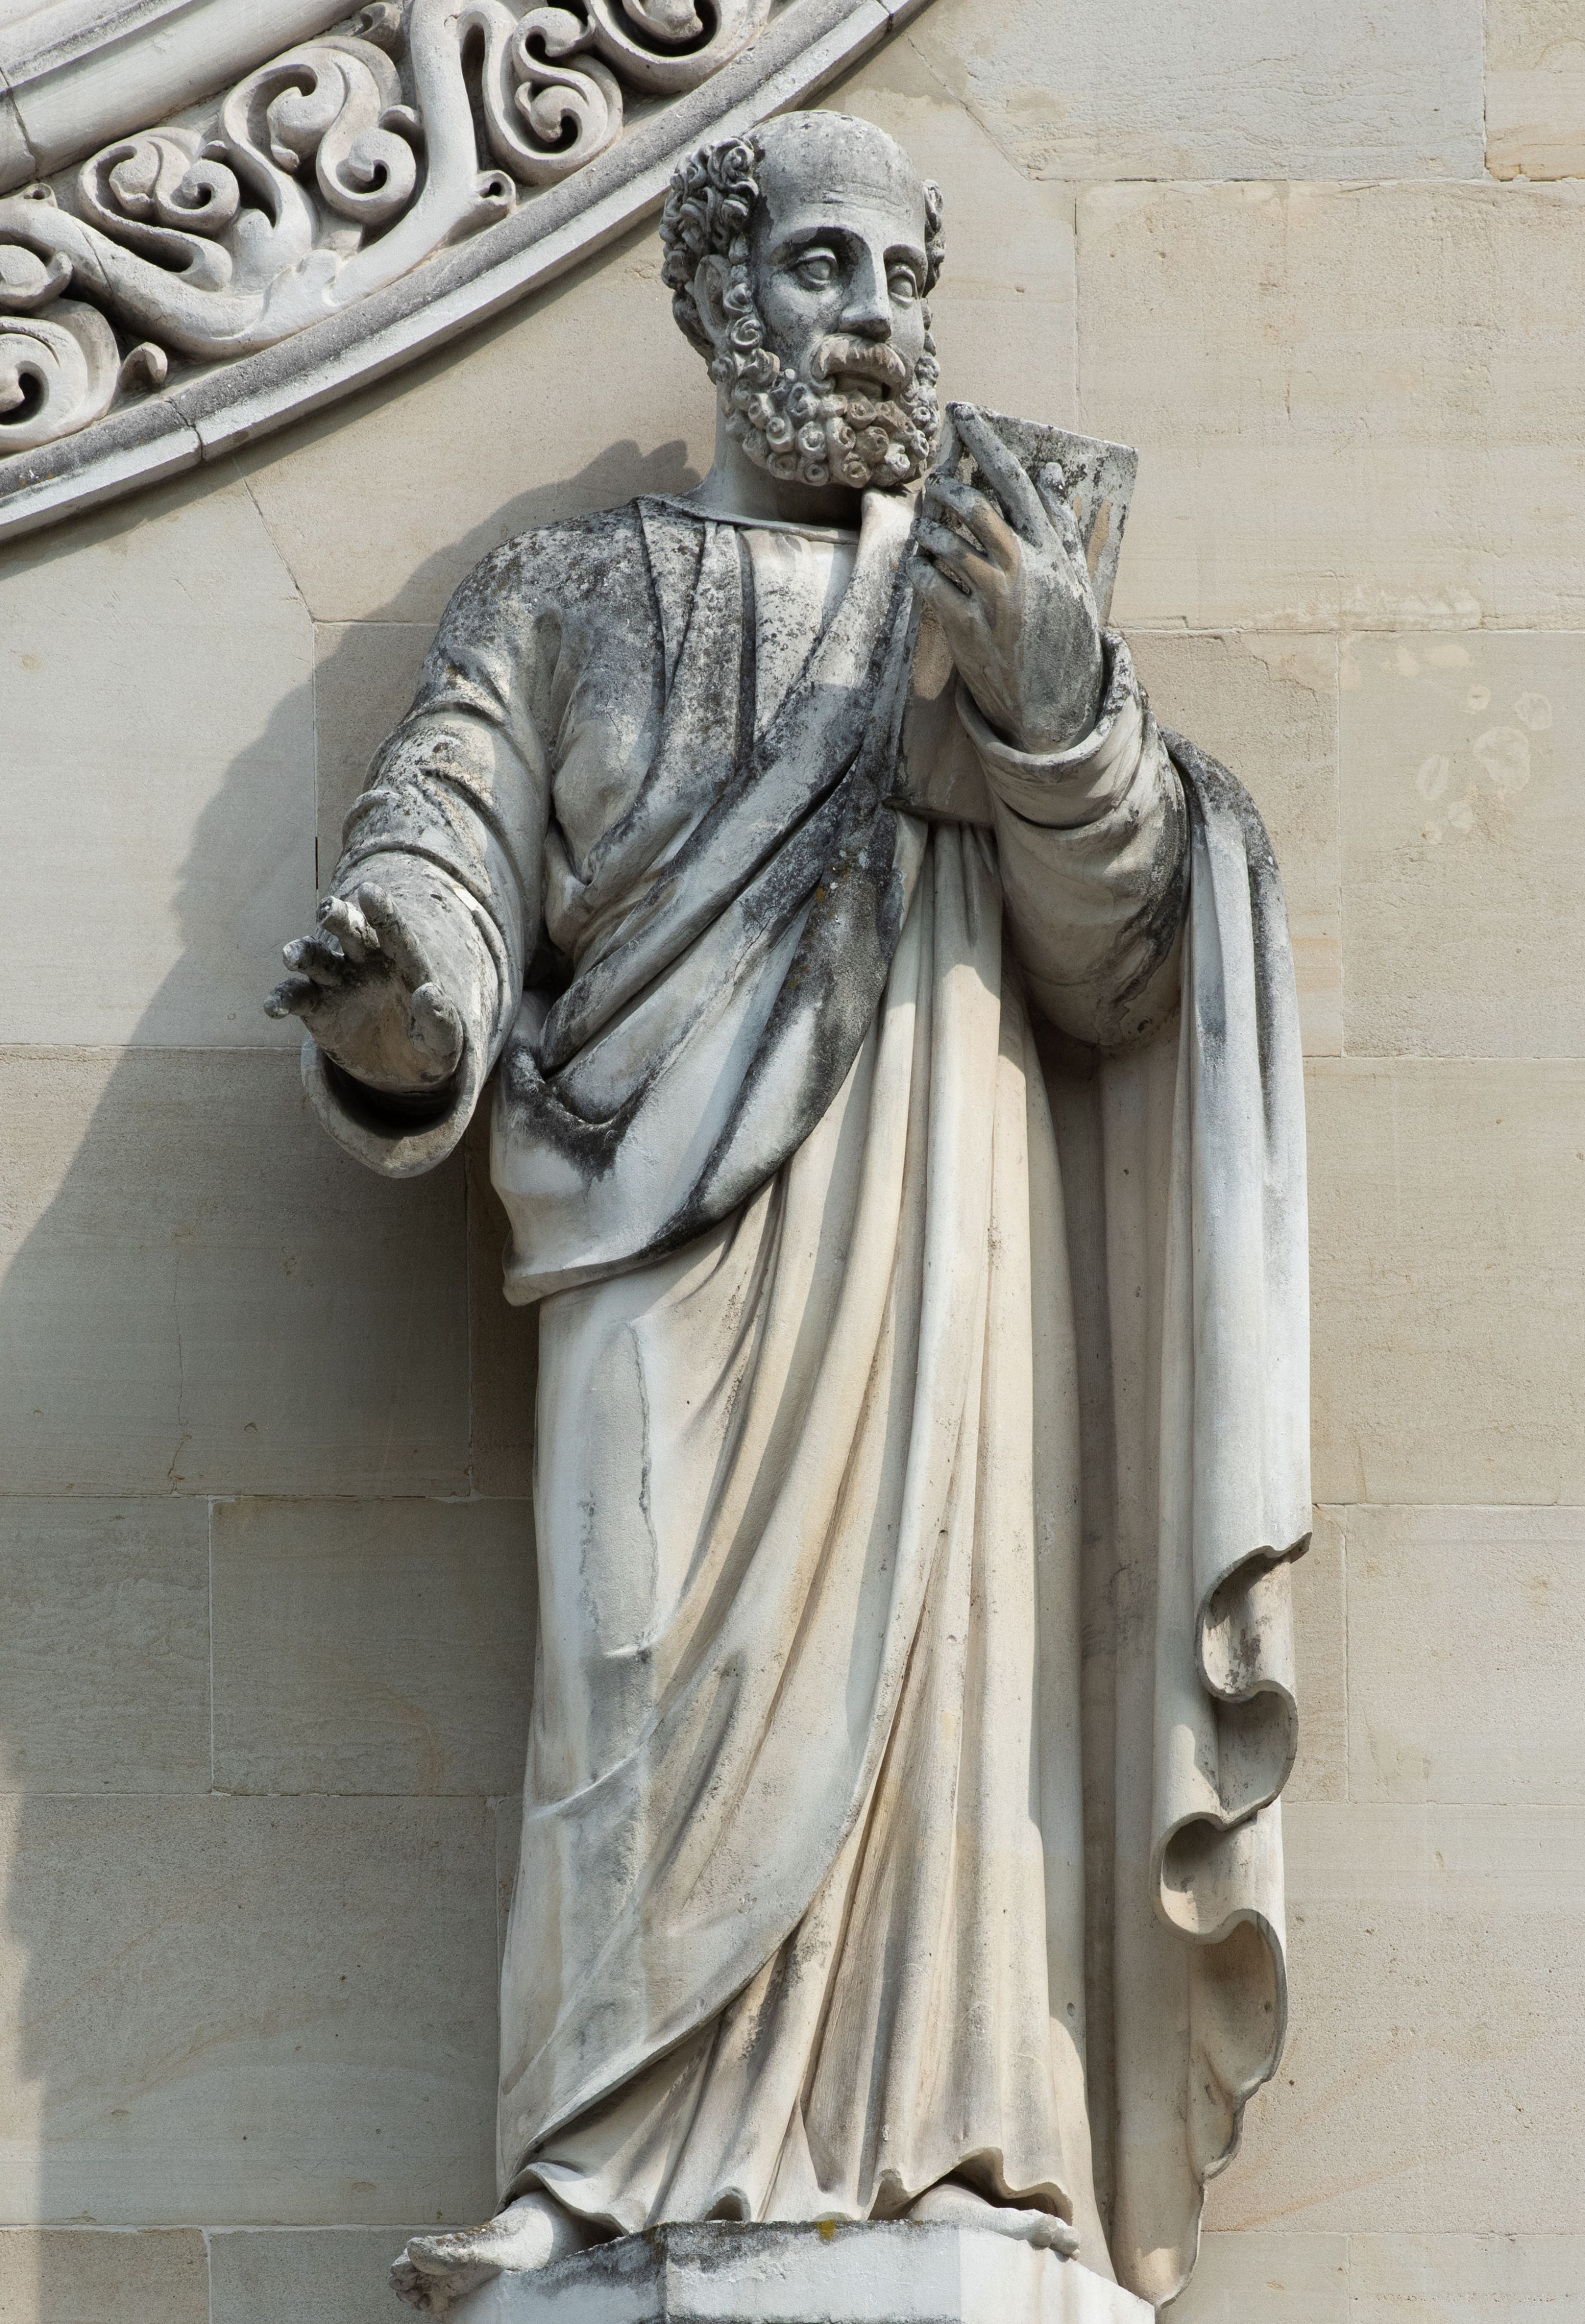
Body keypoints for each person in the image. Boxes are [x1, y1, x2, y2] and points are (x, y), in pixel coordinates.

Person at [266, 110, 1309, 2316]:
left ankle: (953, 2147)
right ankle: (598, 2166)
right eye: (827, 270)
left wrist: (1062, 717)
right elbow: (443, 841)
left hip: (944, 1250)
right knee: (636, 1673)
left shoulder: (990, 591)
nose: (877, 322)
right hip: (657, 1248)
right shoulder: (565, 594)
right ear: (716, 296)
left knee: (948, 1703)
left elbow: (1125, 955)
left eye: (907, 281)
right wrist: (402, 996)